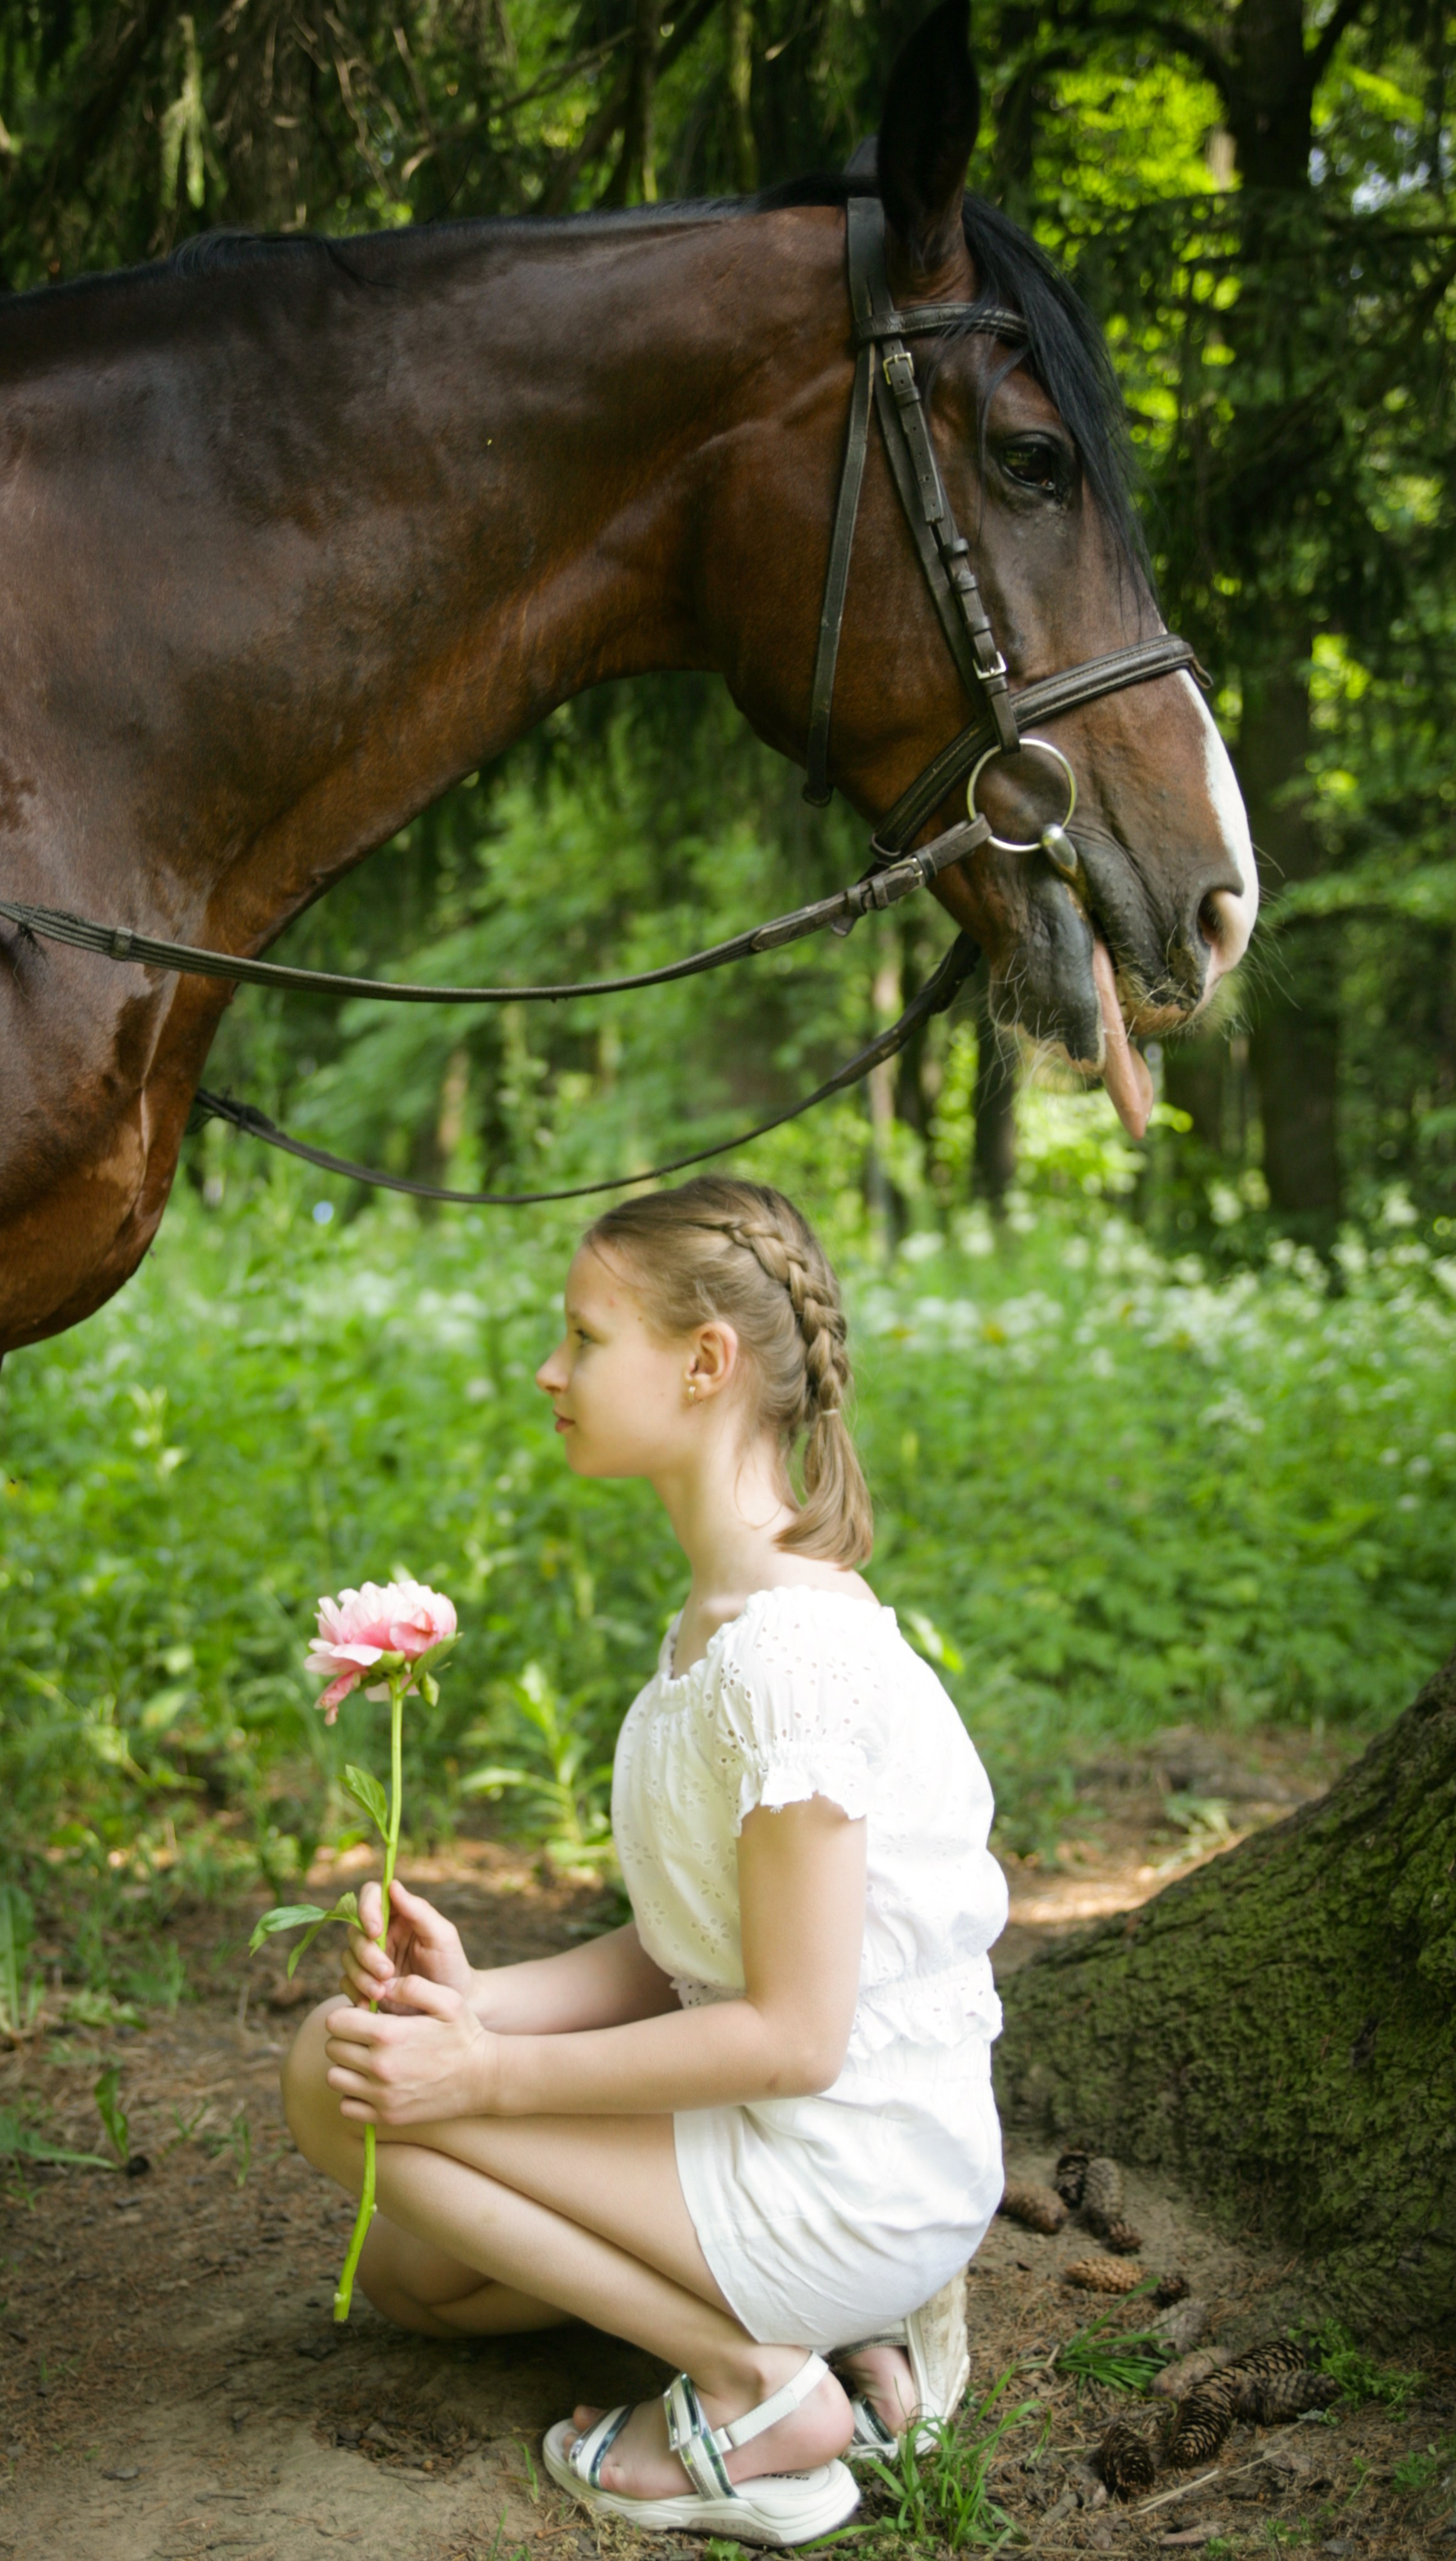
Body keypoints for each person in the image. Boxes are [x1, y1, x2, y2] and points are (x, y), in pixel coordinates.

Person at [282, 1177, 1008, 2547]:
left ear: (705, 1362)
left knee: (334, 2073)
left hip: (848, 2159)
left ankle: (760, 2394)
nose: (549, 1370)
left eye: (583, 1337)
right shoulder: (723, 1620)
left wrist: (488, 2075)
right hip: (793, 2142)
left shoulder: (787, 1653)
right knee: (414, 2271)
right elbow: (692, 1948)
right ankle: (843, 2339)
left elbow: (792, 2033)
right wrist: (481, 1997)